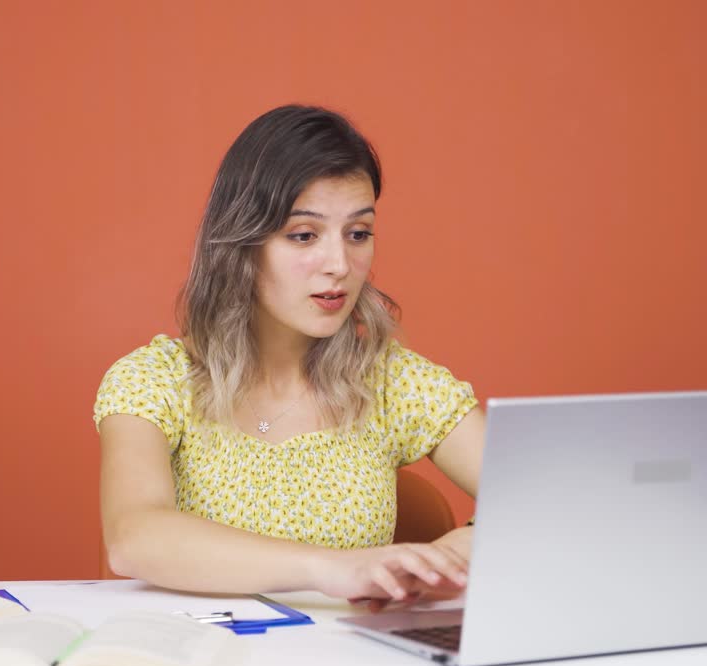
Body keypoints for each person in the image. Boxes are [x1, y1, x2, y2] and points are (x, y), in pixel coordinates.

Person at [95, 105, 484, 607]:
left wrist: (462, 547)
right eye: (304, 235)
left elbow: (545, 496)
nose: (340, 265)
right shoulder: (152, 381)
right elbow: (134, 537)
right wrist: (330, 569)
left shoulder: (392, 380)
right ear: (242, 243)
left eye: (358, 234)